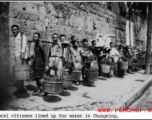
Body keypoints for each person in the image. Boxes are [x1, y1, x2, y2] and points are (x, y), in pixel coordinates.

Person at [11, 25, 28, 95]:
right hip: (17, 56)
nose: (14, 31)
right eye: (13, 30)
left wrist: (22, 55)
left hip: (20, 57)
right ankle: (22, 88)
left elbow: (23, 46)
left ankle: (20, 88)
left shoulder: (22, 36)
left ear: (18, 30)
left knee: (19, 73)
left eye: (15, 29)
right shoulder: (16, 37)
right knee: (20, 72)